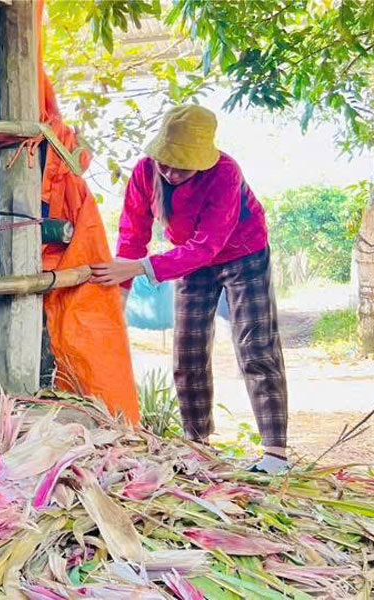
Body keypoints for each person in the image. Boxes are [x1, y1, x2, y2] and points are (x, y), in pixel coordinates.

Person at [92, 104, 289, 474]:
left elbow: (208, 246)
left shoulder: (225, 173)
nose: (170, 171)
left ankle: (275, 454)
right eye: (166, 161)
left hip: (243, 255)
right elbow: (133, 232)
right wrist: (122, 290)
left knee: (256, 346)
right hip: (190, 260)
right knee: (188, 354)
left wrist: (143, 267)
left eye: (181, 166)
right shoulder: (146, 171)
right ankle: (196, 444)